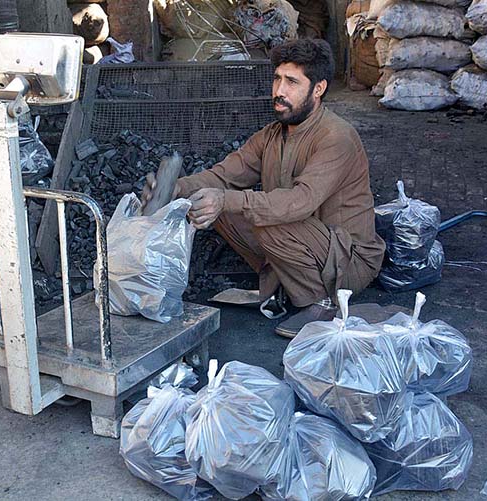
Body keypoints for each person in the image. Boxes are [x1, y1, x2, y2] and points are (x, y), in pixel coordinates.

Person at [142, 38, 385, 338]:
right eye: (278, 79)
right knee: (210, 205)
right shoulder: (271, 135)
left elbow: (300, 202)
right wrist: (175, 189)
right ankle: (284, 278)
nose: (279, 91)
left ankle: (323, 302)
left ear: (318, 89)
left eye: (292, 82)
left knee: (263, 216)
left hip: (347, 259)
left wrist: (229, 200)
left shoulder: (337, 137)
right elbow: (224, 175)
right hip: (306, 241)